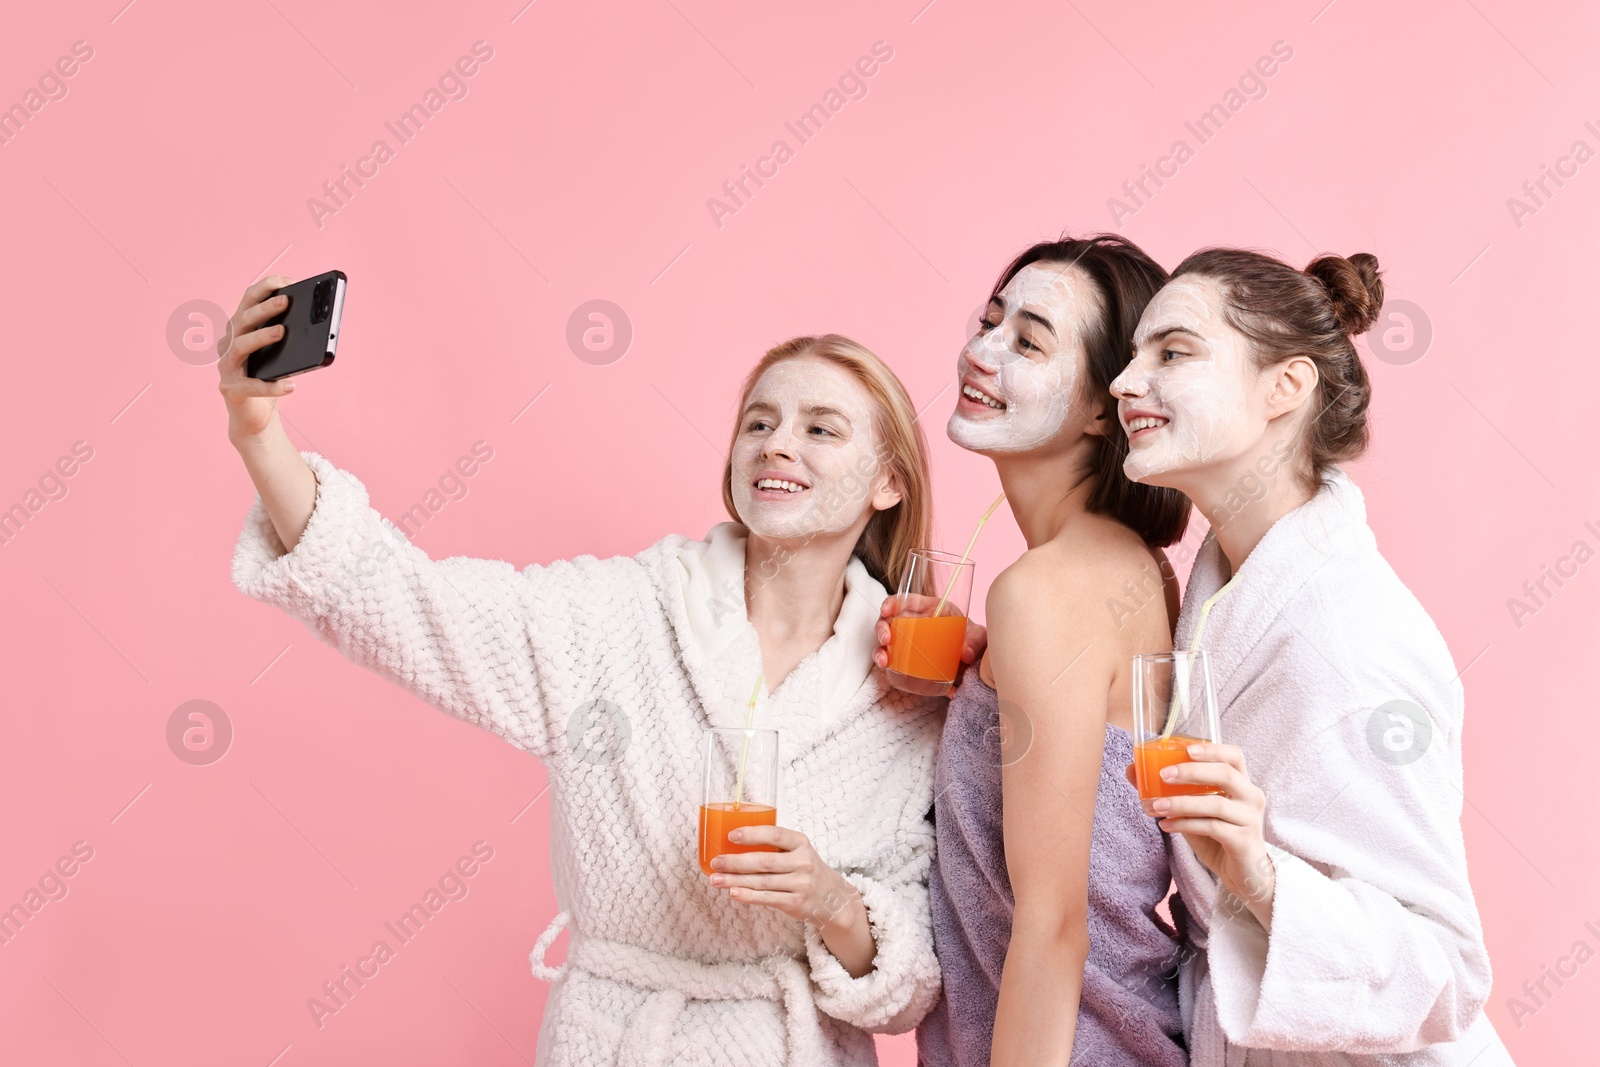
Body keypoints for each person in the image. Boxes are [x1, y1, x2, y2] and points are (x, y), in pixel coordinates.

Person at [219, 274, 945, 1066]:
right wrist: (258, 435)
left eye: (822, 429)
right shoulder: (619, 616)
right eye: (758, 422)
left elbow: (911, 986)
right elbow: (406, 603)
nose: (776, 443)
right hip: (619, 1041)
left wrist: (832, 899)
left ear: (889, 481)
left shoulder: (910, 687)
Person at [1109, 249, 1515, 1066]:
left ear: (1285, 387)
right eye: (1131, 355)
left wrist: (1259, 877)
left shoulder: (1351, 638)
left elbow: (1447, 972)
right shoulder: (1233, 579)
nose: (1124, 381)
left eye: (1173, 352)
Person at [889, 235, 1193, 1066]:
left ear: (1106, 405)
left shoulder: (1042, 591)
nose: (980, 354)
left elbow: (1054, 926)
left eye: (1027, 341)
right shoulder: (1134, 567)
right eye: (988, 323)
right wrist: (984, 680)